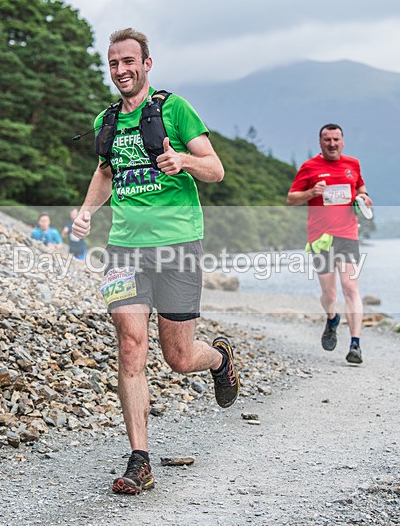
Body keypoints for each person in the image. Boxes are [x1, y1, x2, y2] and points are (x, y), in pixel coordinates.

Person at [71, 28, 240, 495]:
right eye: (113, 63)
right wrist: (87, 211)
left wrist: (183, 161)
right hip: (124, 249)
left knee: (179, 357)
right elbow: (104, 173)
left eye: (129, 61)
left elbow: (217, 169)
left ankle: (219, 357)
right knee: (130, 346)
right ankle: (139, 460)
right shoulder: (107, 120)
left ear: (147, 64)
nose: (121, 70)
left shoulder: (174, 109)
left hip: (178, 246)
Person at [287, 123, 373, 365]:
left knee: (350, 287)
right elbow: (291, 198)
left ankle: (355, 344)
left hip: (347, 234)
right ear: (320, 143)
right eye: (327, 140)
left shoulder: (353, 164)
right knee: (329, 293)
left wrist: (365, 197)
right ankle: (332, 318)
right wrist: (311, 192)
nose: (332, 144)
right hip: (320, 237)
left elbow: (362, 189)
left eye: (336, 139)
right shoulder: (309, 167)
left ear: (343, 141)